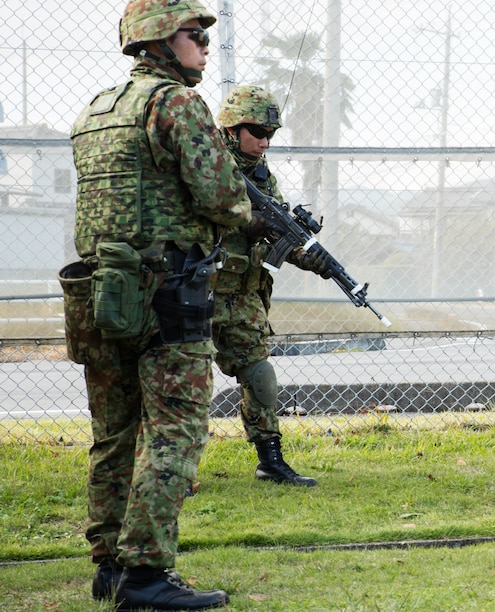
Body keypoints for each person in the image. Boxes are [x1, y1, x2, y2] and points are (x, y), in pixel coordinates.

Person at [64, 0, 253, 609]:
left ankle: (110, 567)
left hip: (100, 293)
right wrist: (243, 213)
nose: (202, 45)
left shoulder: (95, 111)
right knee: (174, 431)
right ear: (158, 43)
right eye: (194, 35)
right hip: (168, 296)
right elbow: (223, 197)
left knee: (113, 433)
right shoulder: (175, 104)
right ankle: (146, 575)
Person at [213, 84, 332, 487]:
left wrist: (305, 255)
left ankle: (270, 460)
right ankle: (173, 468)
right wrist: (247, 219)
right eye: (257, 132)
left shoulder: (263, 176)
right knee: (184, 383)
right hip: (195, 289)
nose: (264, 141)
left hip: (243, 293)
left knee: (260, 375)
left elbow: (277, 234)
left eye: (270, 134)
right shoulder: (204, 165)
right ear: (232, 128)